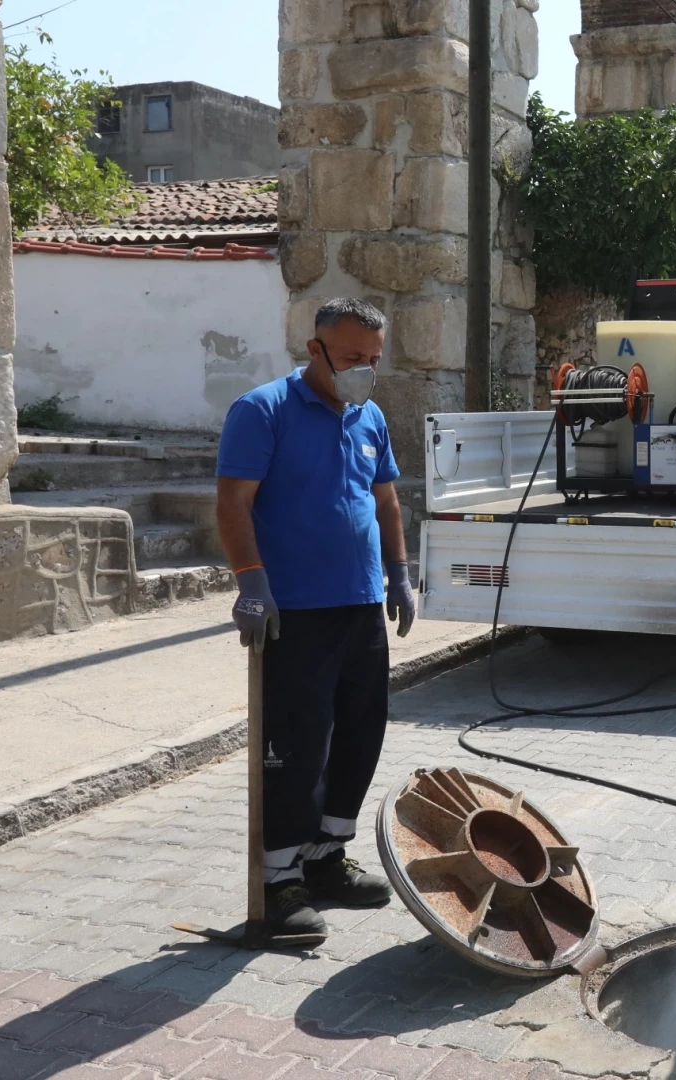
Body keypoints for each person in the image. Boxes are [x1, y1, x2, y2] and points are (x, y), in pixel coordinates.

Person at [215, 297, 418, 940]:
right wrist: (251, 583)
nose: (366, 370)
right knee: (297, 746)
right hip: (293, 611)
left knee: (360, 734)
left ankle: (327, 858)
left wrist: (400, 573)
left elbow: (386, 503)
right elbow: (232, 504)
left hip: (359, 606)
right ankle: (279, 882)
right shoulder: (262, 411)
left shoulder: (369, 416)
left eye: (375, 360)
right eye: (354, 357)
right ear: (317, 349)